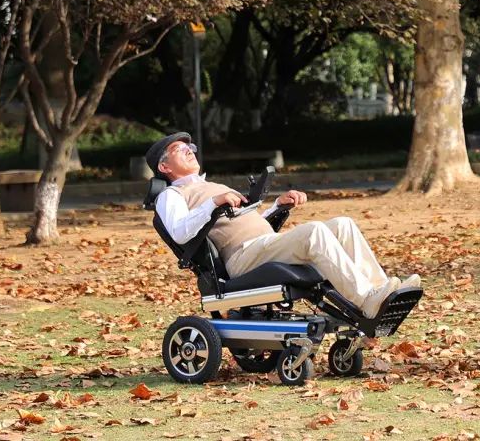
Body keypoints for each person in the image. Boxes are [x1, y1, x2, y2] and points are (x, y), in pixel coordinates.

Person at [146, 132, 420, 318]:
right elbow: (180, 232)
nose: (189, 150)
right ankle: (366, 301)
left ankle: (382, 293)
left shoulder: (212, 185)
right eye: (179, 150)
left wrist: (278, 206)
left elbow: (249, 222)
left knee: (343, 224)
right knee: (314, 232)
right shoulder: (171, 195)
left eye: (190, 147)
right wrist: (212, 202)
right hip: (241, 257)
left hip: (263, 245)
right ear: (164, 168)